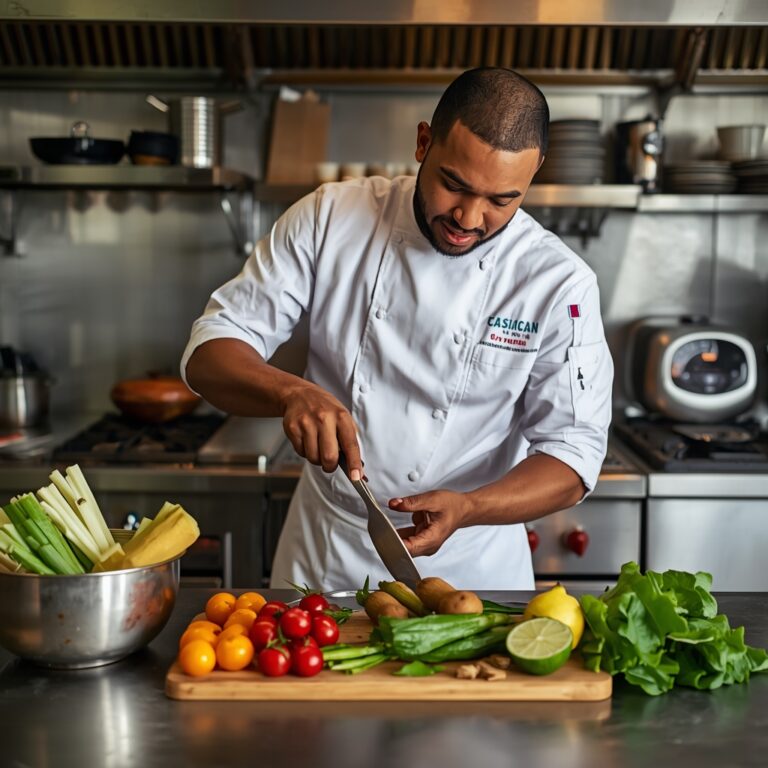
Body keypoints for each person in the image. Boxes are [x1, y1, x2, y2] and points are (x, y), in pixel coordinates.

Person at [182, 67, 613, 591]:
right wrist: (291, 392)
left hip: (473, 571)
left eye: (503, 200)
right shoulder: (330, 218)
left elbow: (573, 456)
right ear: (423, 142)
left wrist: (470, 508)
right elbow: (210, 351)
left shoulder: (557, 282)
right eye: (453, 184)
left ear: (535, 172)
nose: (469, 218)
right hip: (327, 554)